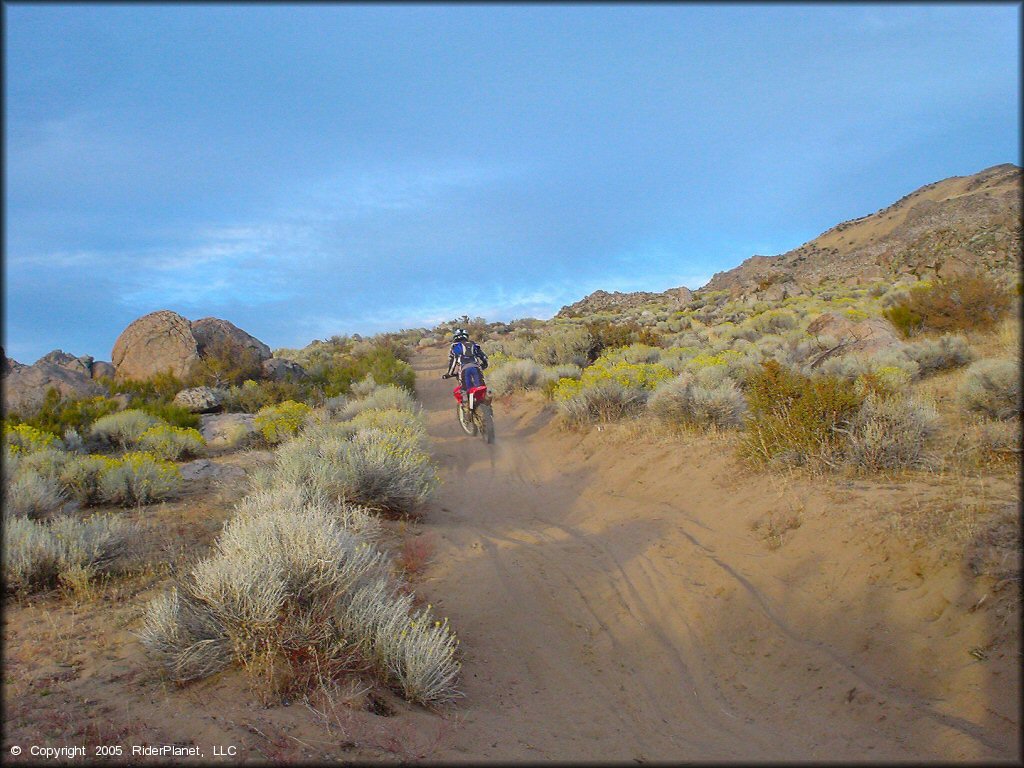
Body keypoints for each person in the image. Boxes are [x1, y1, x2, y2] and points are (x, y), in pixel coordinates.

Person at [442, 328, 488, 394]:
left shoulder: (455, 346)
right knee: (481, 389)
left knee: (464, 390)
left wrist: (449, 373)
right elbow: (483, 357)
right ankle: (486, 400)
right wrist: (484, 365)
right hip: (476, 368)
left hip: (464, 370)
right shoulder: (473, 344)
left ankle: (465, 402)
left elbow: (453, 361)